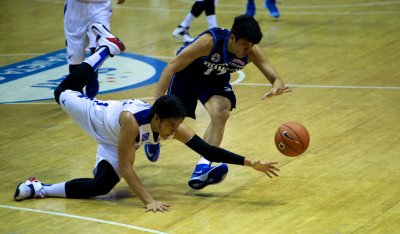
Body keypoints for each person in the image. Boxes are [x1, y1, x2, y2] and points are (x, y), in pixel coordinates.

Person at [13, 23, 280, 212]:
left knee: (102, 186)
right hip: (97, 117)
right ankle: (105, 50)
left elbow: (207, 148)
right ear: (157, 119)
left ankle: (39, 188)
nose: (175, 130)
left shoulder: (171, 125)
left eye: (177, 125)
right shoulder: (133, 121)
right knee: (62, 91)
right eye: (172, 125)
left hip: (113, 141)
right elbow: (128, 168)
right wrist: (148, 200)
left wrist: (250, 163)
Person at [154, 15, 291, 189]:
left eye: (251, 46)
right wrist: (156, 106)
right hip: (186, 75)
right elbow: (170, 68)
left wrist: (277, 86)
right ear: (232, 38)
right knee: (170, 120)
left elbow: (275, 78)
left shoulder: (251, 50)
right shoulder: (209, 42)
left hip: (214, 82)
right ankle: (153, 138)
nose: (247, 50)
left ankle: (203, 167)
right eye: (244, 45)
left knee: (222, 111)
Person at [64, 0, 125, 98]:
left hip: (101, 6)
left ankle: (92, 79)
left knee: (100, 46)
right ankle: (76, 98)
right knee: (75, 58)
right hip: (75, 7)